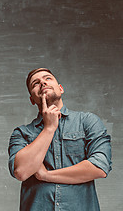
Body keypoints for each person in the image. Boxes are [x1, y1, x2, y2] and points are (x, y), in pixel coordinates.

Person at [8, 68, 112, 211]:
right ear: (32, 99)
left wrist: (46, 175)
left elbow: (100, 167)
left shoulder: (87, 121)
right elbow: (21, 172)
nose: (43, 82)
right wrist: (49, 128)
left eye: (48, 78)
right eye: (35, 83)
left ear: (61, 88)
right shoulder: (22, 133)